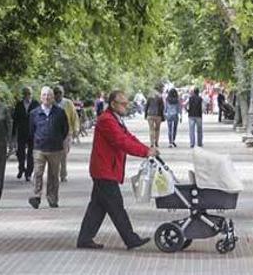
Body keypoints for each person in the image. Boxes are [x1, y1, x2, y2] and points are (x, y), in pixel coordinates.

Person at [76, 90, 157, 250]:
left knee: (97, 207)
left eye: (127, 103)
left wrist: (147, 149)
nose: (126, 106)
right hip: (104, 170)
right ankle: (130, 239)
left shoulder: (115, 119)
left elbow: (129, 138)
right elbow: (121, 141)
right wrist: (145, 152)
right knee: (116, 206)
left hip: (107, 169)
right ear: (113, 104)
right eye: (123, 103)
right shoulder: (106, 120)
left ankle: (84, 239)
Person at [29, 86, 69, 209]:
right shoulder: (34, 113)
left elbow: (65, 129)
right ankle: (36, 196)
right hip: (39, 148)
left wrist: (57, 139)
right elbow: (31, 130)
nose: (46, 97)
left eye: (49, 95)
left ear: (53, 98)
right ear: (41, 97)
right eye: (44, 95)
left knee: (53, 175)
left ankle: (52, 198)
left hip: (55, 149)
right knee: (38, 173)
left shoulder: (60, 112)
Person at [12, 86, 39, 181]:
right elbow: (15, 119)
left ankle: (28, 173)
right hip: (22, 131)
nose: (27, 96)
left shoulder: (36, 104)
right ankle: (21, 168)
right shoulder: (19, 105)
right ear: (23, 95)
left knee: (31, 154)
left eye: (29, 94)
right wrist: (13, 133)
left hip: (33, 132)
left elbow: (39, 118)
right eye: (26, 94)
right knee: (20, 152)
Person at [55, 85, 79, 182]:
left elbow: (74, 117)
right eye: (56, 92)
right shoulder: (51, 103)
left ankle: (63, 174)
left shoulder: (68, 103)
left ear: (63, 93)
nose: (58, 95)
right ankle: (55, 173)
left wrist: (76, 129)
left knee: (63, 154)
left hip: (66, 132)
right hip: (54, 133)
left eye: (60, 92)